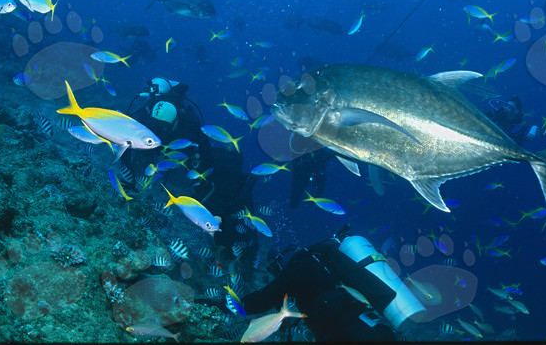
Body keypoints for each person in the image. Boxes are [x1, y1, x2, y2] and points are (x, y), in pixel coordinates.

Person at [123, 78, 256, 252]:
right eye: (158, 127)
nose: (163, 131)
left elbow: (206, 159)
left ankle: (244, 194)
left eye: (166, 127)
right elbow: (124, 142)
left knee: (224, 206)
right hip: (173, 160)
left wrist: (205, 196)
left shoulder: (190, 123)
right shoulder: (144, 117)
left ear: (176, 119)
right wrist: (129, 177)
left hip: (198, 159)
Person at [241, 227, 426, 342]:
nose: (277, 273)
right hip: (376, 329)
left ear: (281, 259)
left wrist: (232, 305)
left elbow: (265, 299)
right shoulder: (326, 259)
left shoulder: (297, 267)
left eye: (275, 268)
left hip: (346, 335)